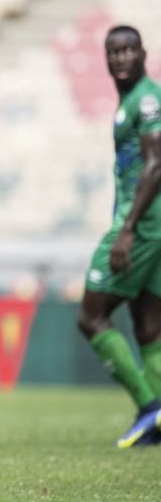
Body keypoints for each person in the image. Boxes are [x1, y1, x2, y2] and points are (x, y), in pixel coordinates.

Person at [77, 25, 161, 448]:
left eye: (129, 50)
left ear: (143, 53)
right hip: (152, 223)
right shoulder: (130, 100)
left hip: (144, 223)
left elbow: (156, 164)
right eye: (114, 51)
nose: (122, 57)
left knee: (91, 316)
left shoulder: (146, 99)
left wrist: (127, 229)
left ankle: (150, 408)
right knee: (148, 324)